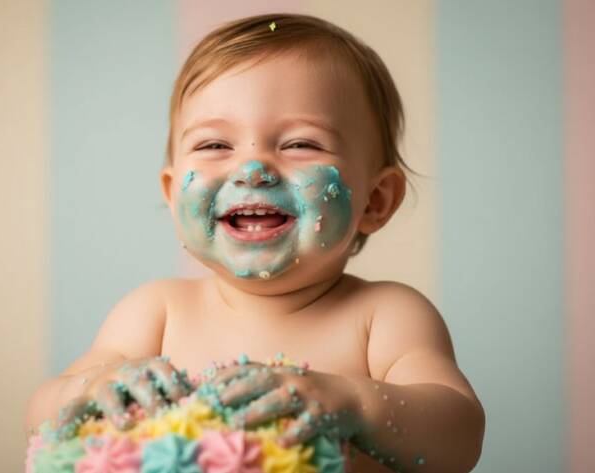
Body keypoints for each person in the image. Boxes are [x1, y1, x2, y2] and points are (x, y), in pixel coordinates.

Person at [25, 13, 484, 473]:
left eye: (300, 143)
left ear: (375, 201)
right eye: (214, 146)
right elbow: (41, 415)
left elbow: (459, 434)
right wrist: (87, 391)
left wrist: (350, 403)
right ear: (170, 193)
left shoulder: (384, 316)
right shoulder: (156, 314)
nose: (252, 169)